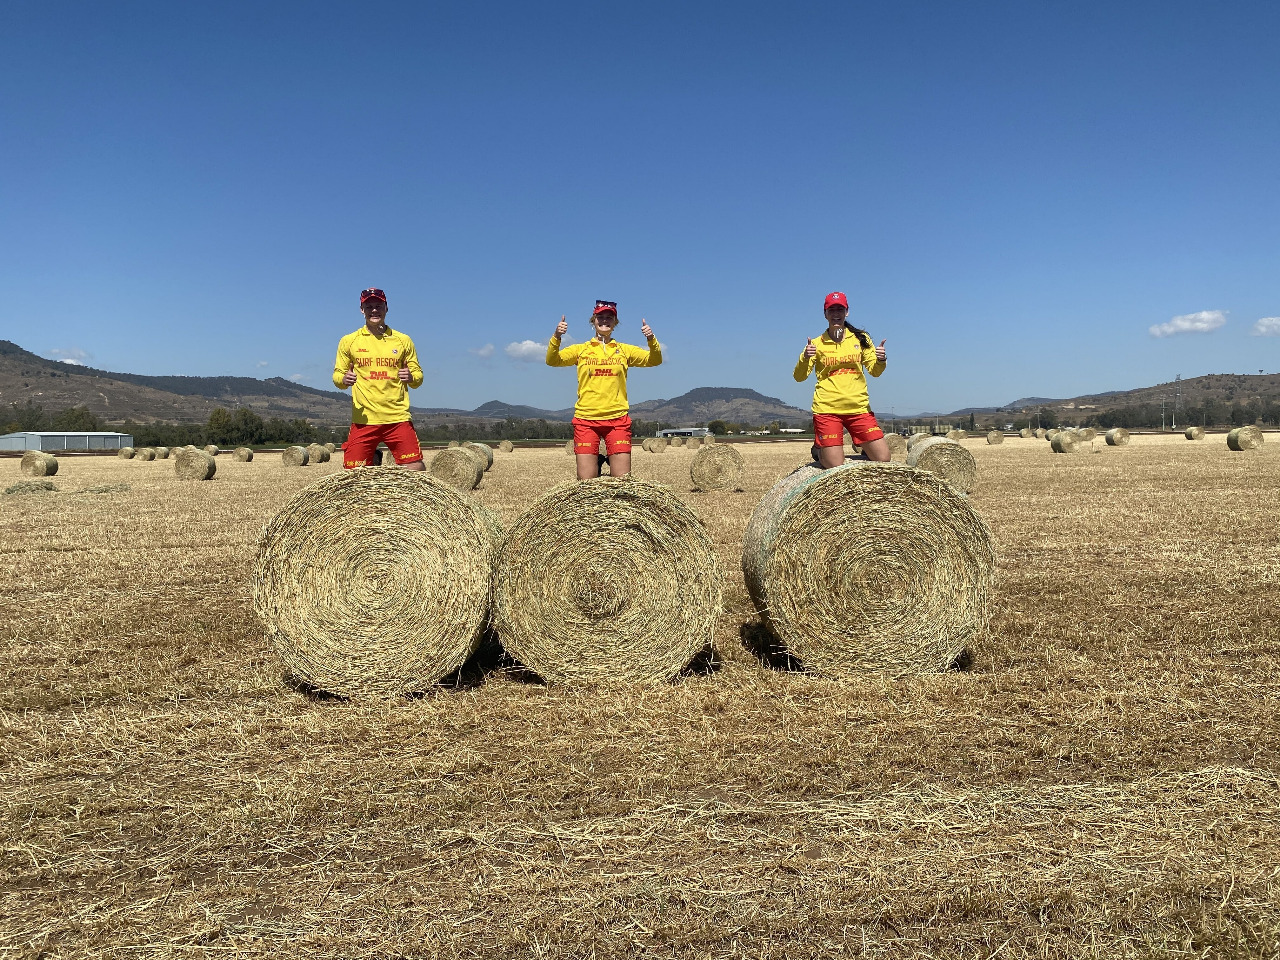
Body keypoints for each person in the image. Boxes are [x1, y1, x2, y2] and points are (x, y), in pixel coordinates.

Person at [546, 300, 662, 480]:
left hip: (617, 420)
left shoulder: (624, 350)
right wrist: (556, 337)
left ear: (615, 322)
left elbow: (654, 360)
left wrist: (651, 339)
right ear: (593, 321)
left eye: (610, 317)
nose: (605, 320)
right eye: (600, 317)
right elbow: (552, 360)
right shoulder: (581, 350)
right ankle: (598, 463)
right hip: (586, 420)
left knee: (622, 482)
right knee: (586, 484)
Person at [332, 287, 426, 470]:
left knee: (416, 468)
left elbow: (418, 376)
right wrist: (344, 379)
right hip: (364, 420)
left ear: (386, 308)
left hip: (397, 417)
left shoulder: (403, 340)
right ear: (362, 309)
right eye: (369, 306)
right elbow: (337, 375)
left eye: (378, 306)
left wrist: (412, 376)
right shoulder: (349, 341)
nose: (374, 310)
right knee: (352, 475)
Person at [794, 291, 889, 468]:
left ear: (847, 312)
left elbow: (875, 371)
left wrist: (881, 359)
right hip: (827, 408)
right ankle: (820, 449)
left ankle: (857, 445)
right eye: (831, 310)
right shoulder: (816, 343)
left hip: (858, 407)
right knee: (834, 464)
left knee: (883, 458)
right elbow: (799, 377)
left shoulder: (861, 339)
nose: (836, 314)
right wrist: (805, 357)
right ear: (825, 314)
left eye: (840, 309)